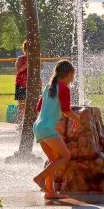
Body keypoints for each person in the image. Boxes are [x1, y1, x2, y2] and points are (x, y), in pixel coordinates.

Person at [32, 60, 78, 200]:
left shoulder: (49, 87)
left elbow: (39, 109)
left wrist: (54, 121)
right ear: (69, 74)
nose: (73, 79)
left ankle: (50, 192)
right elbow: (66, 111)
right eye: (73, 76)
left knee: (53, 159)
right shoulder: (64, 88)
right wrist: (78, 119)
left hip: (38, 126)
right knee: (65, 156)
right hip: (47, 128)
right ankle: (40, 178)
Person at [14, 41, 28, 126]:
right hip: (21, 84)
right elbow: (18, 70)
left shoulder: (36, 58)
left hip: (33, 85)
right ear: (25, 50)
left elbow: (40, 68)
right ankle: (20, 124)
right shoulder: (20, 58)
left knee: (35, 105)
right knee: (22, 106)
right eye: (27, 50)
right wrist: (26, 65)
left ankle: (32, 124)